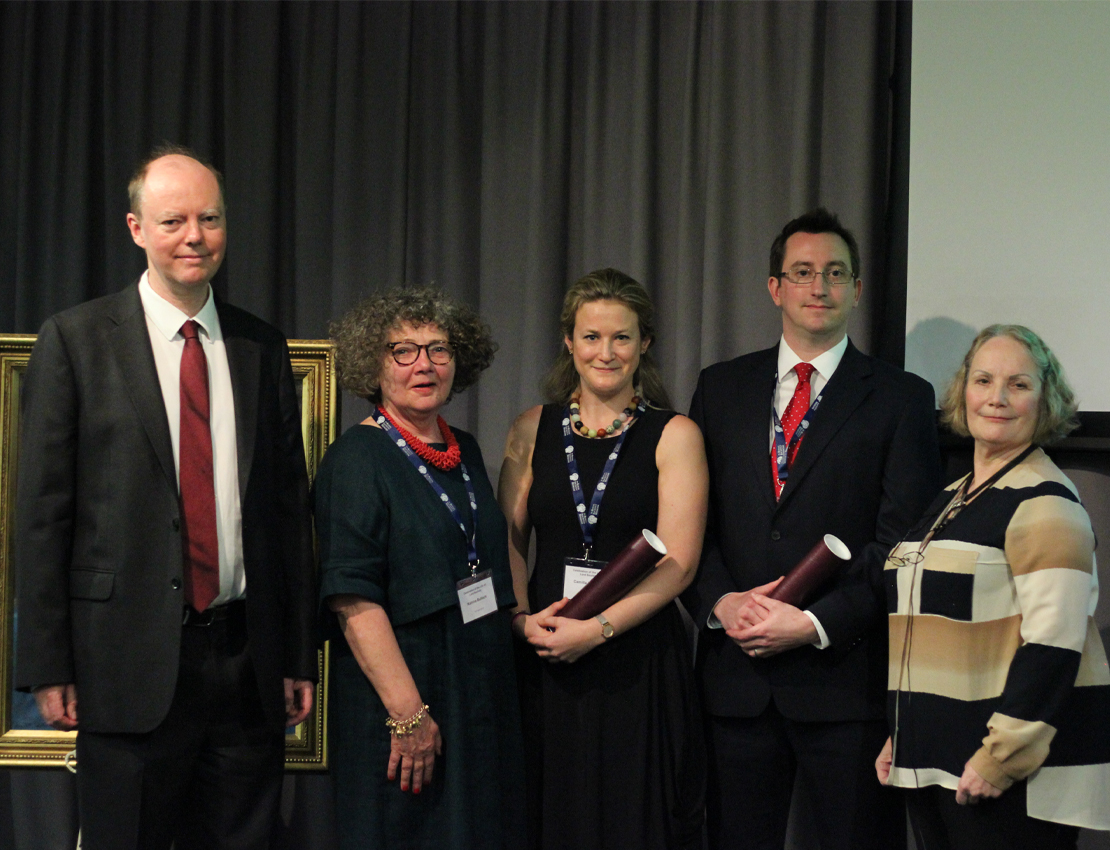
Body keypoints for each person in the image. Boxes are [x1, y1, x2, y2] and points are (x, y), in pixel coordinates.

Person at [13, 146, 316, 850]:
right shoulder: (76, 340)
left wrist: (299, 653)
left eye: (209, 219)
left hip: (247, 662)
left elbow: (286, 511)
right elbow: (44, 516)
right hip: (121, 665)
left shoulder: (260, 346)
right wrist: (48, 665)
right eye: (173, 220)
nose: (194, 237)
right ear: (135, 228)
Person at [682, 208, 943, 850]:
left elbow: (902, 547)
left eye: (835, 273)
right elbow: (692, 527)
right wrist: (720, 601)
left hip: (845, 684)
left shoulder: (902, 397)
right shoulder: (719, 389)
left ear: (857, 289)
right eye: (802, 273)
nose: (818, 286)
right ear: (775, 287)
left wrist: (816, 623)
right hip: (736, 680)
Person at [876, 325, 1110, 848]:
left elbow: (1054, 646)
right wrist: (905, 730)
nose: (997, 398)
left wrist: (1001, 758)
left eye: (1019, 384)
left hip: (1005, 775)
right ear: (963, 392)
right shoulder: (952, 498)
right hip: (938, 760)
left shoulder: (1046, 502)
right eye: (983, 380)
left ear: (1045, 399)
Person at [499, 268, 709, 850]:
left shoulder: (676, 434)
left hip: (637, 663)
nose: (606, 352)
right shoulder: (530, 428)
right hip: (544, 654)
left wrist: (597, 630)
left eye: (622, 337)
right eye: (591, 337)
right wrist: (519, 619)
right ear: (569, 342)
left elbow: (681, 563)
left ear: (644, 344)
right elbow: (509, 540)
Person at [316, 288, 525, 849]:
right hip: (407, 698)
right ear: (372, 362)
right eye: (403, 351)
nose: (424, 365)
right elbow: (352, 601)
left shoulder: (466, 449)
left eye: (438, 349)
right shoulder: (356, 460)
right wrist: (410, 717)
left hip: (476, 690)